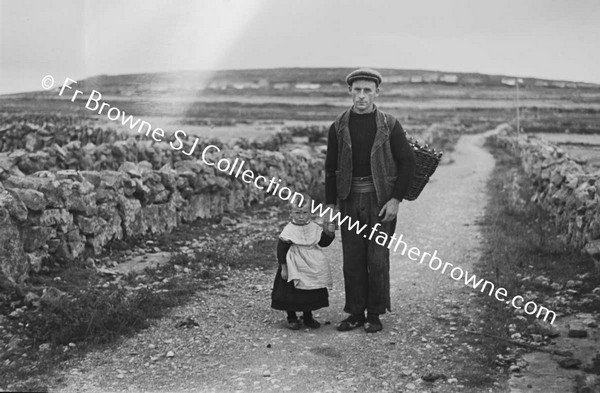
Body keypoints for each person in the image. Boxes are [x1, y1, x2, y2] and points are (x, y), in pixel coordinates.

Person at [325, 68, 416, 333]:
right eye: (357, 90)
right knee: (352, 258)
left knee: (377, 258)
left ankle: (374, 314)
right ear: (349, 91)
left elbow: (407, 162)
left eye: (368, 90)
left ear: (377, 92)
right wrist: (331, 206)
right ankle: (355, 313)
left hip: (380, 201)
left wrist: (396, 199)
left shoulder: (389, 125)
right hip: (349, 200)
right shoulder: (338, 126)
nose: (362, 96)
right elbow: (330, 169)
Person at [271, 194, 336, 330]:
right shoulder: (288, 230)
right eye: (297, 213)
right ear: (291, 213)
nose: (301, 216)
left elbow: (323, 242)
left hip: (311, 264)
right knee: (291, 292)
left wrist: (329, 234)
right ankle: (292, 317)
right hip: (293, 264)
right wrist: (284, 268)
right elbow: (281, 249)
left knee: (309, 291)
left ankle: (308, 317)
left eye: (305, 212)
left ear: (310, 212)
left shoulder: (314, 227)